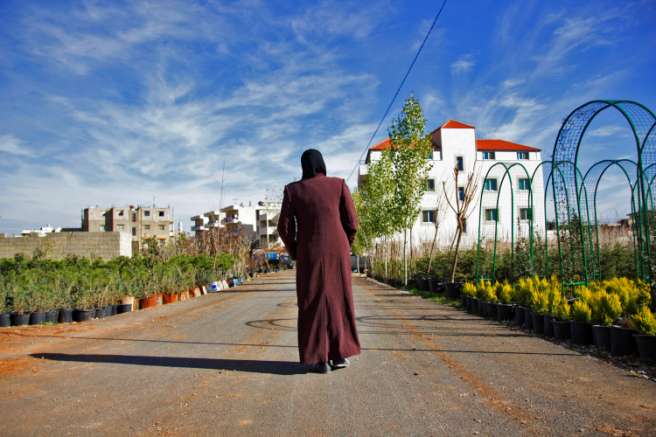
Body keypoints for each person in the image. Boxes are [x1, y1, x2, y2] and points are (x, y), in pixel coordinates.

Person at [277, 149, 361, 373]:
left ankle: (318, 359)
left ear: (303, 166)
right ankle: (339, 355)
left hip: (309, 252)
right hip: (338, 250)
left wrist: (296, 250)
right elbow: (351, 222)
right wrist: (346, 244)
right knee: (339, 299)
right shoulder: (339, 185)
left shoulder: (293, 190)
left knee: (311, 300)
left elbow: (284, 228)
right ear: (322, 164)